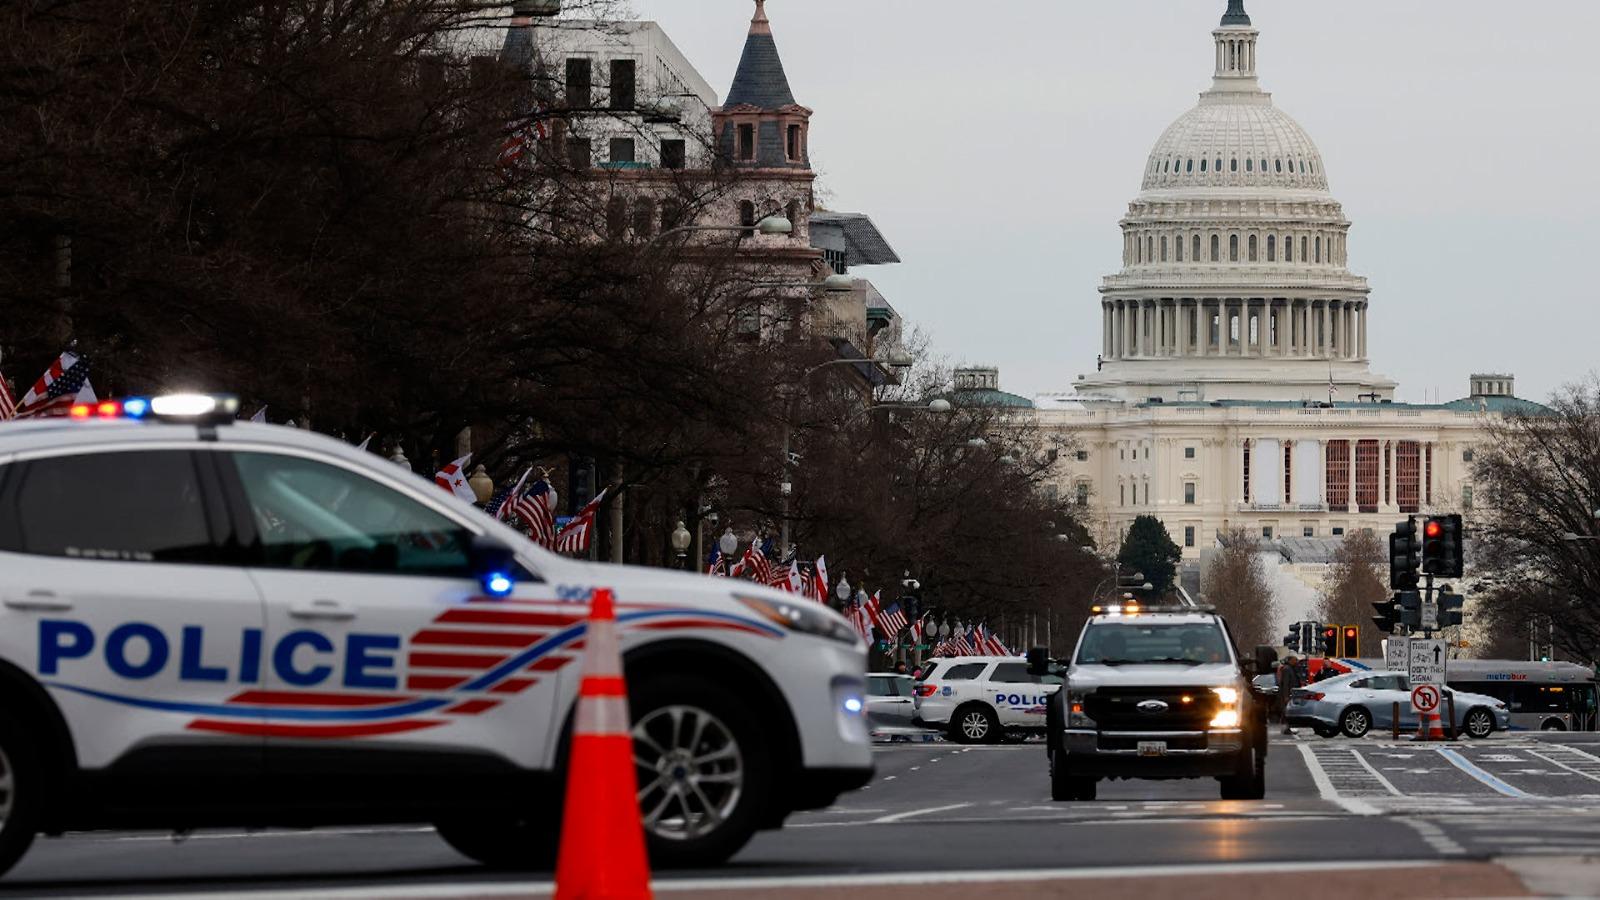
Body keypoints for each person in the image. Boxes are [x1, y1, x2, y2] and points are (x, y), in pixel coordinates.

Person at [1276, 653, 1304, 735]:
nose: (1297, 661)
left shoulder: (1291, 668)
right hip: (1288, 695)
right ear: (1291, 660)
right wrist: (1286, 696)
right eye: (1295, 659)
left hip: (1290, 694)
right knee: (1286, 712)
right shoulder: (1287, 669)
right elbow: (1285, 683)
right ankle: (1285, 728)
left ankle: (1286, 728)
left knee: (1287, 712)